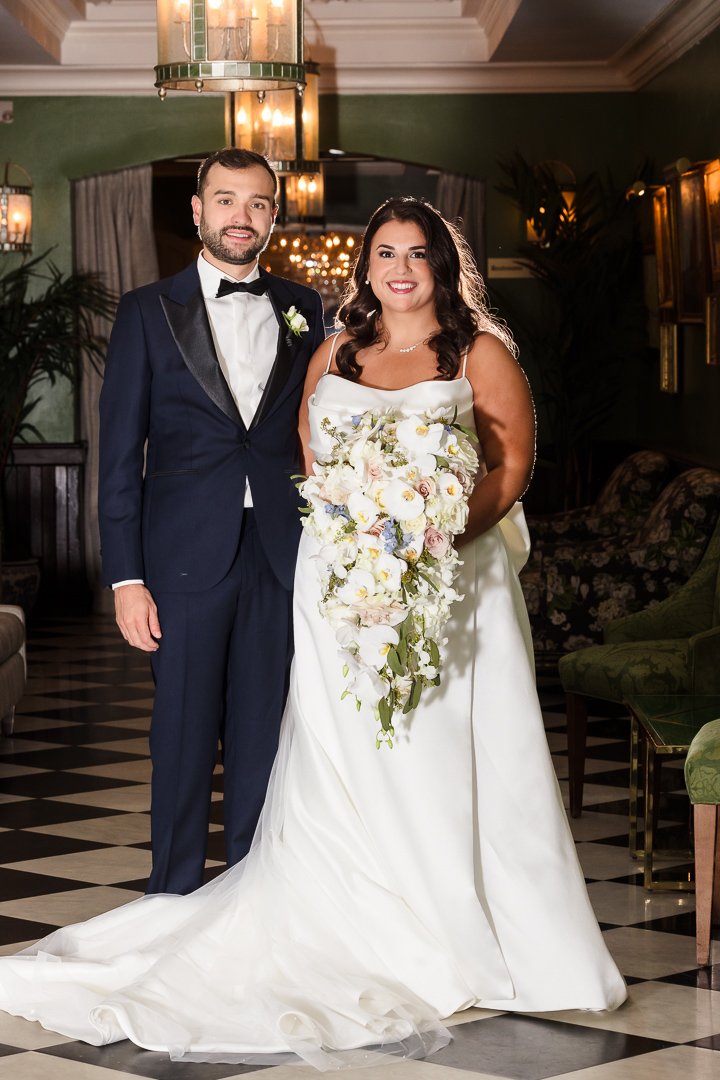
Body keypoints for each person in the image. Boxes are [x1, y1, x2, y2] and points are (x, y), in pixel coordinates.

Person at [0, 197, 626, 1069]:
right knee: (342, 758)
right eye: (385, 254)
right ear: (364, 267)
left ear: (443, 266)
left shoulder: (479, 355)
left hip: (451, 591)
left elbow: (511, 466)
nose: (400, 269)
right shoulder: (334, 350)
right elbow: (308, 449)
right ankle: (351, 912)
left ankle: (465, 925)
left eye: (417, 254)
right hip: (337, 593)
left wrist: (430, 540)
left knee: (445, 756)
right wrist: (364, 536)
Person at [97, 147, 325, 895]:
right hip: (182, 562)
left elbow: (316, 432)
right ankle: (172, 903)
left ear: (274, 215)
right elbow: (120, 453)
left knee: (266, 745)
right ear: (197, 211)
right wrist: (127, 578)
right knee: (184, 743)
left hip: (279, 556)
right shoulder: (146, 311)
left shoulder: (306, 307)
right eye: (226, 200)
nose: (242, 216)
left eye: (258, 203)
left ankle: (252, 912)